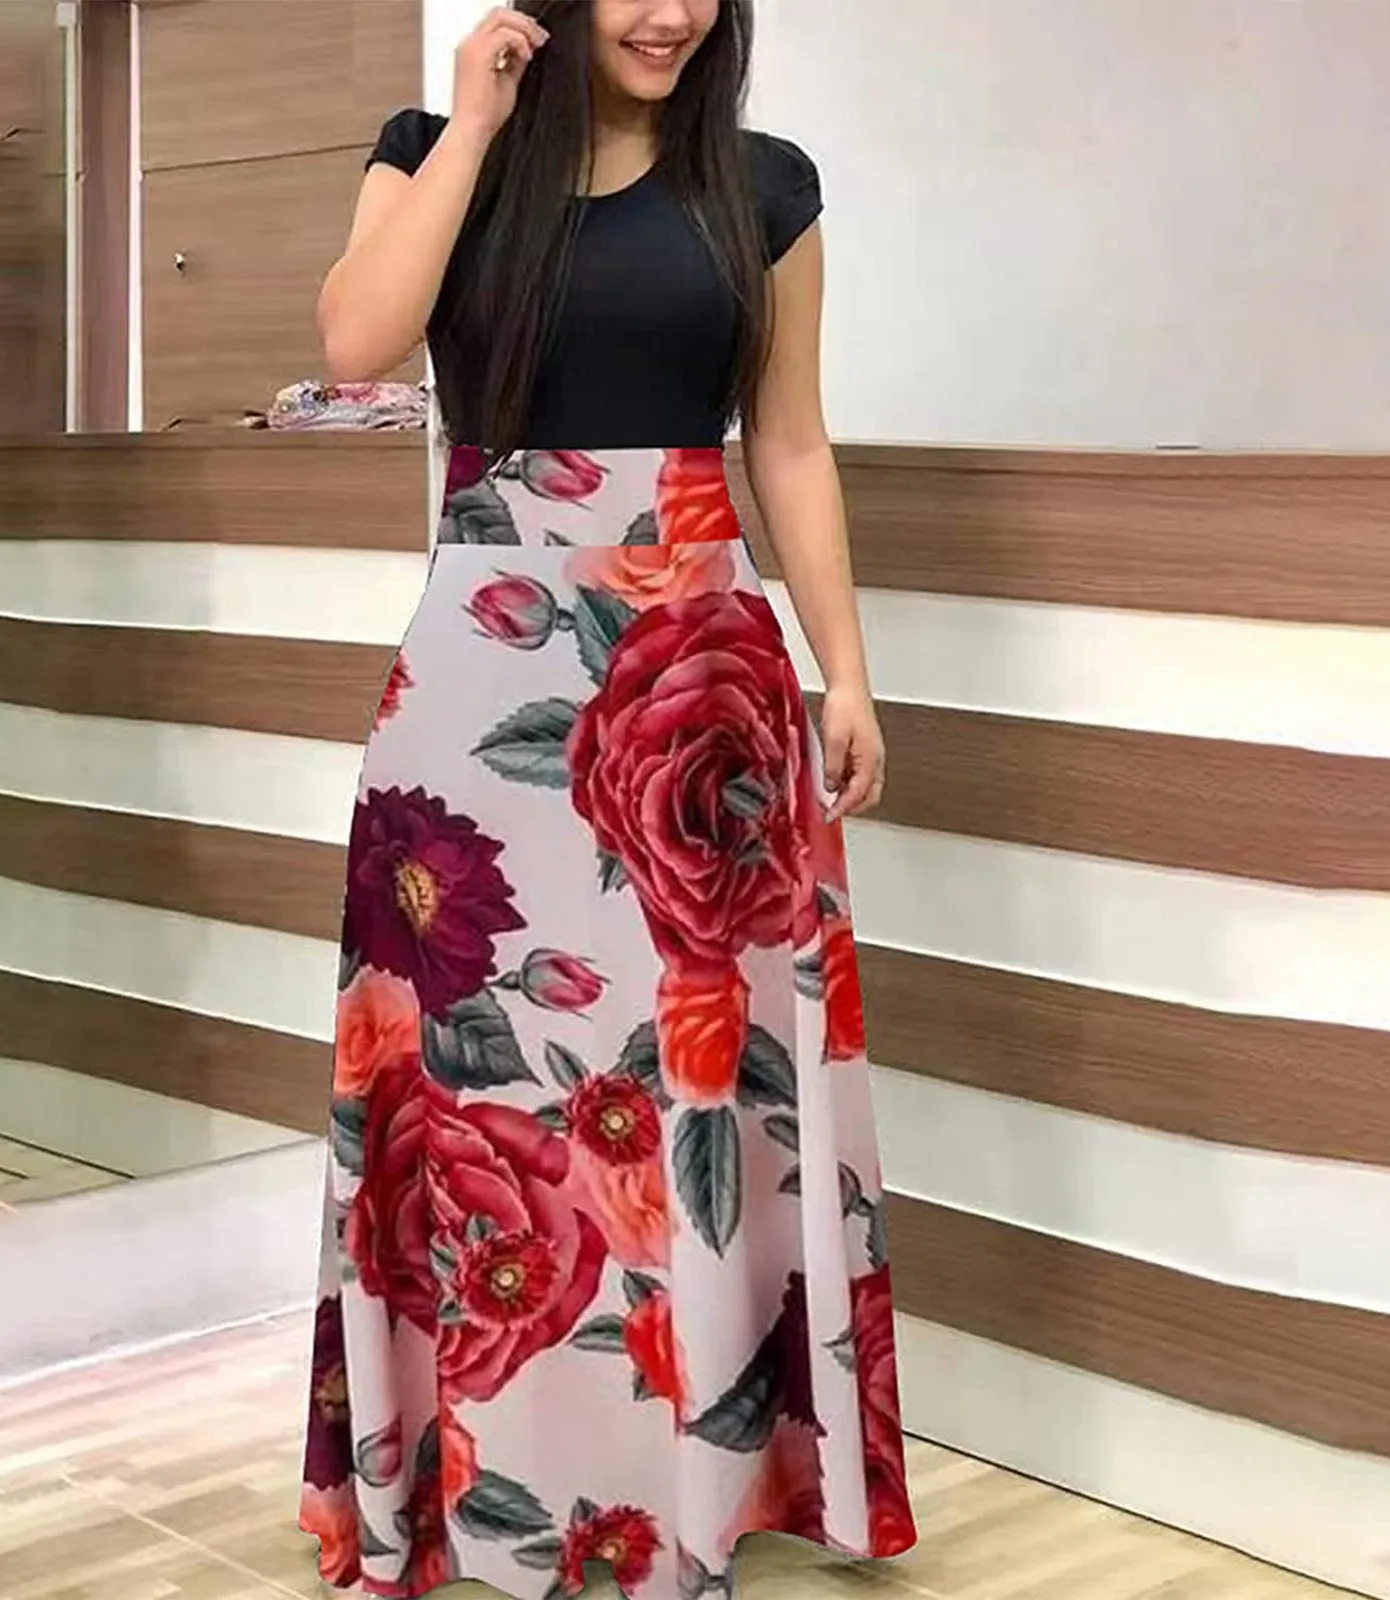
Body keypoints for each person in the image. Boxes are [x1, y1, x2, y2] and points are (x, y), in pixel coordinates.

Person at [298, 4, 916, 1595]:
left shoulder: (763, 186)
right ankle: (484, 1489)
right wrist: (475, 123)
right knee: (476, 1092)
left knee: (689, 1091)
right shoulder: (434, 155)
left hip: (699, 688)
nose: (672, 13)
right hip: (481, 684)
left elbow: (789, 442)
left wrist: (845, 668)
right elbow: (357, 343)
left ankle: (689, 1489)